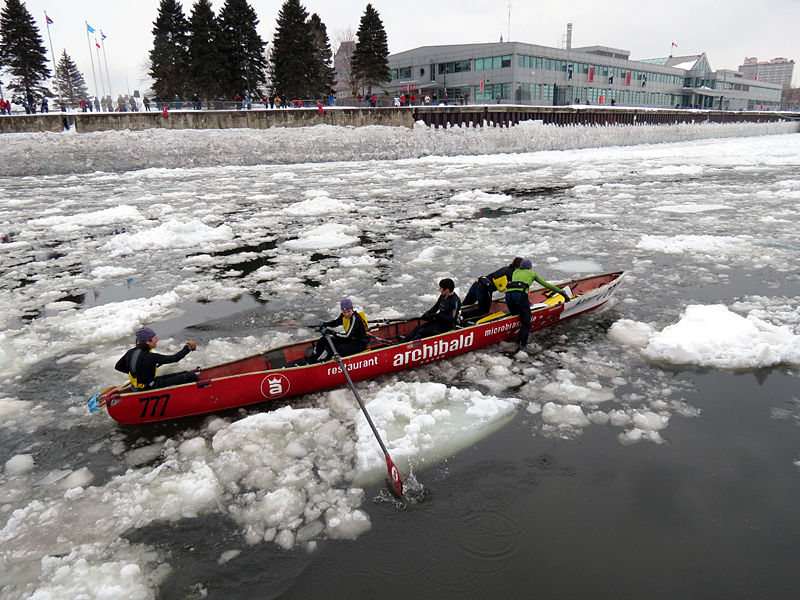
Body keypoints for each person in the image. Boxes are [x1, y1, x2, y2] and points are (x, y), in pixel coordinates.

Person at [505, 260, 570, 352]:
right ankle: (521, 347)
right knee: (526, 323)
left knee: (516, 315)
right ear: (530, 267)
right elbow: (547, 285)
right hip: (520, 296)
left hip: (508, 296)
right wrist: (562, 292)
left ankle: (509, 334)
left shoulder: (515, 272)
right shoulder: (532, 274)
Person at [115, 327, 199, 390]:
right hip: (151, 387)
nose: (157, 340)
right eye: (155, 338)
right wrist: (188, 347)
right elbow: (175, 358)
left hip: (139, 386)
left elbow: (118, 366)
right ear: (147, 342)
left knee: (185, 373)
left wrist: (137, 373)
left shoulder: (131, 352)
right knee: (191, 376)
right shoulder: (151, 357)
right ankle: (204, 396)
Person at [306, 299, 369, 364]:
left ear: (352, 309)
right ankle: (310, 362)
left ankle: (321, 364)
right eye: (344, 312)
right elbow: (336, 322)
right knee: (323, 340)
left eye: (348, 311)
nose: (346, 314)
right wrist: (325, 324)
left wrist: (332, 332)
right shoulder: (343, 315)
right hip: (351, 341)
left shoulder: (355, 319)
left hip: (359, 344)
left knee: (332, 347)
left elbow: (347, 336)